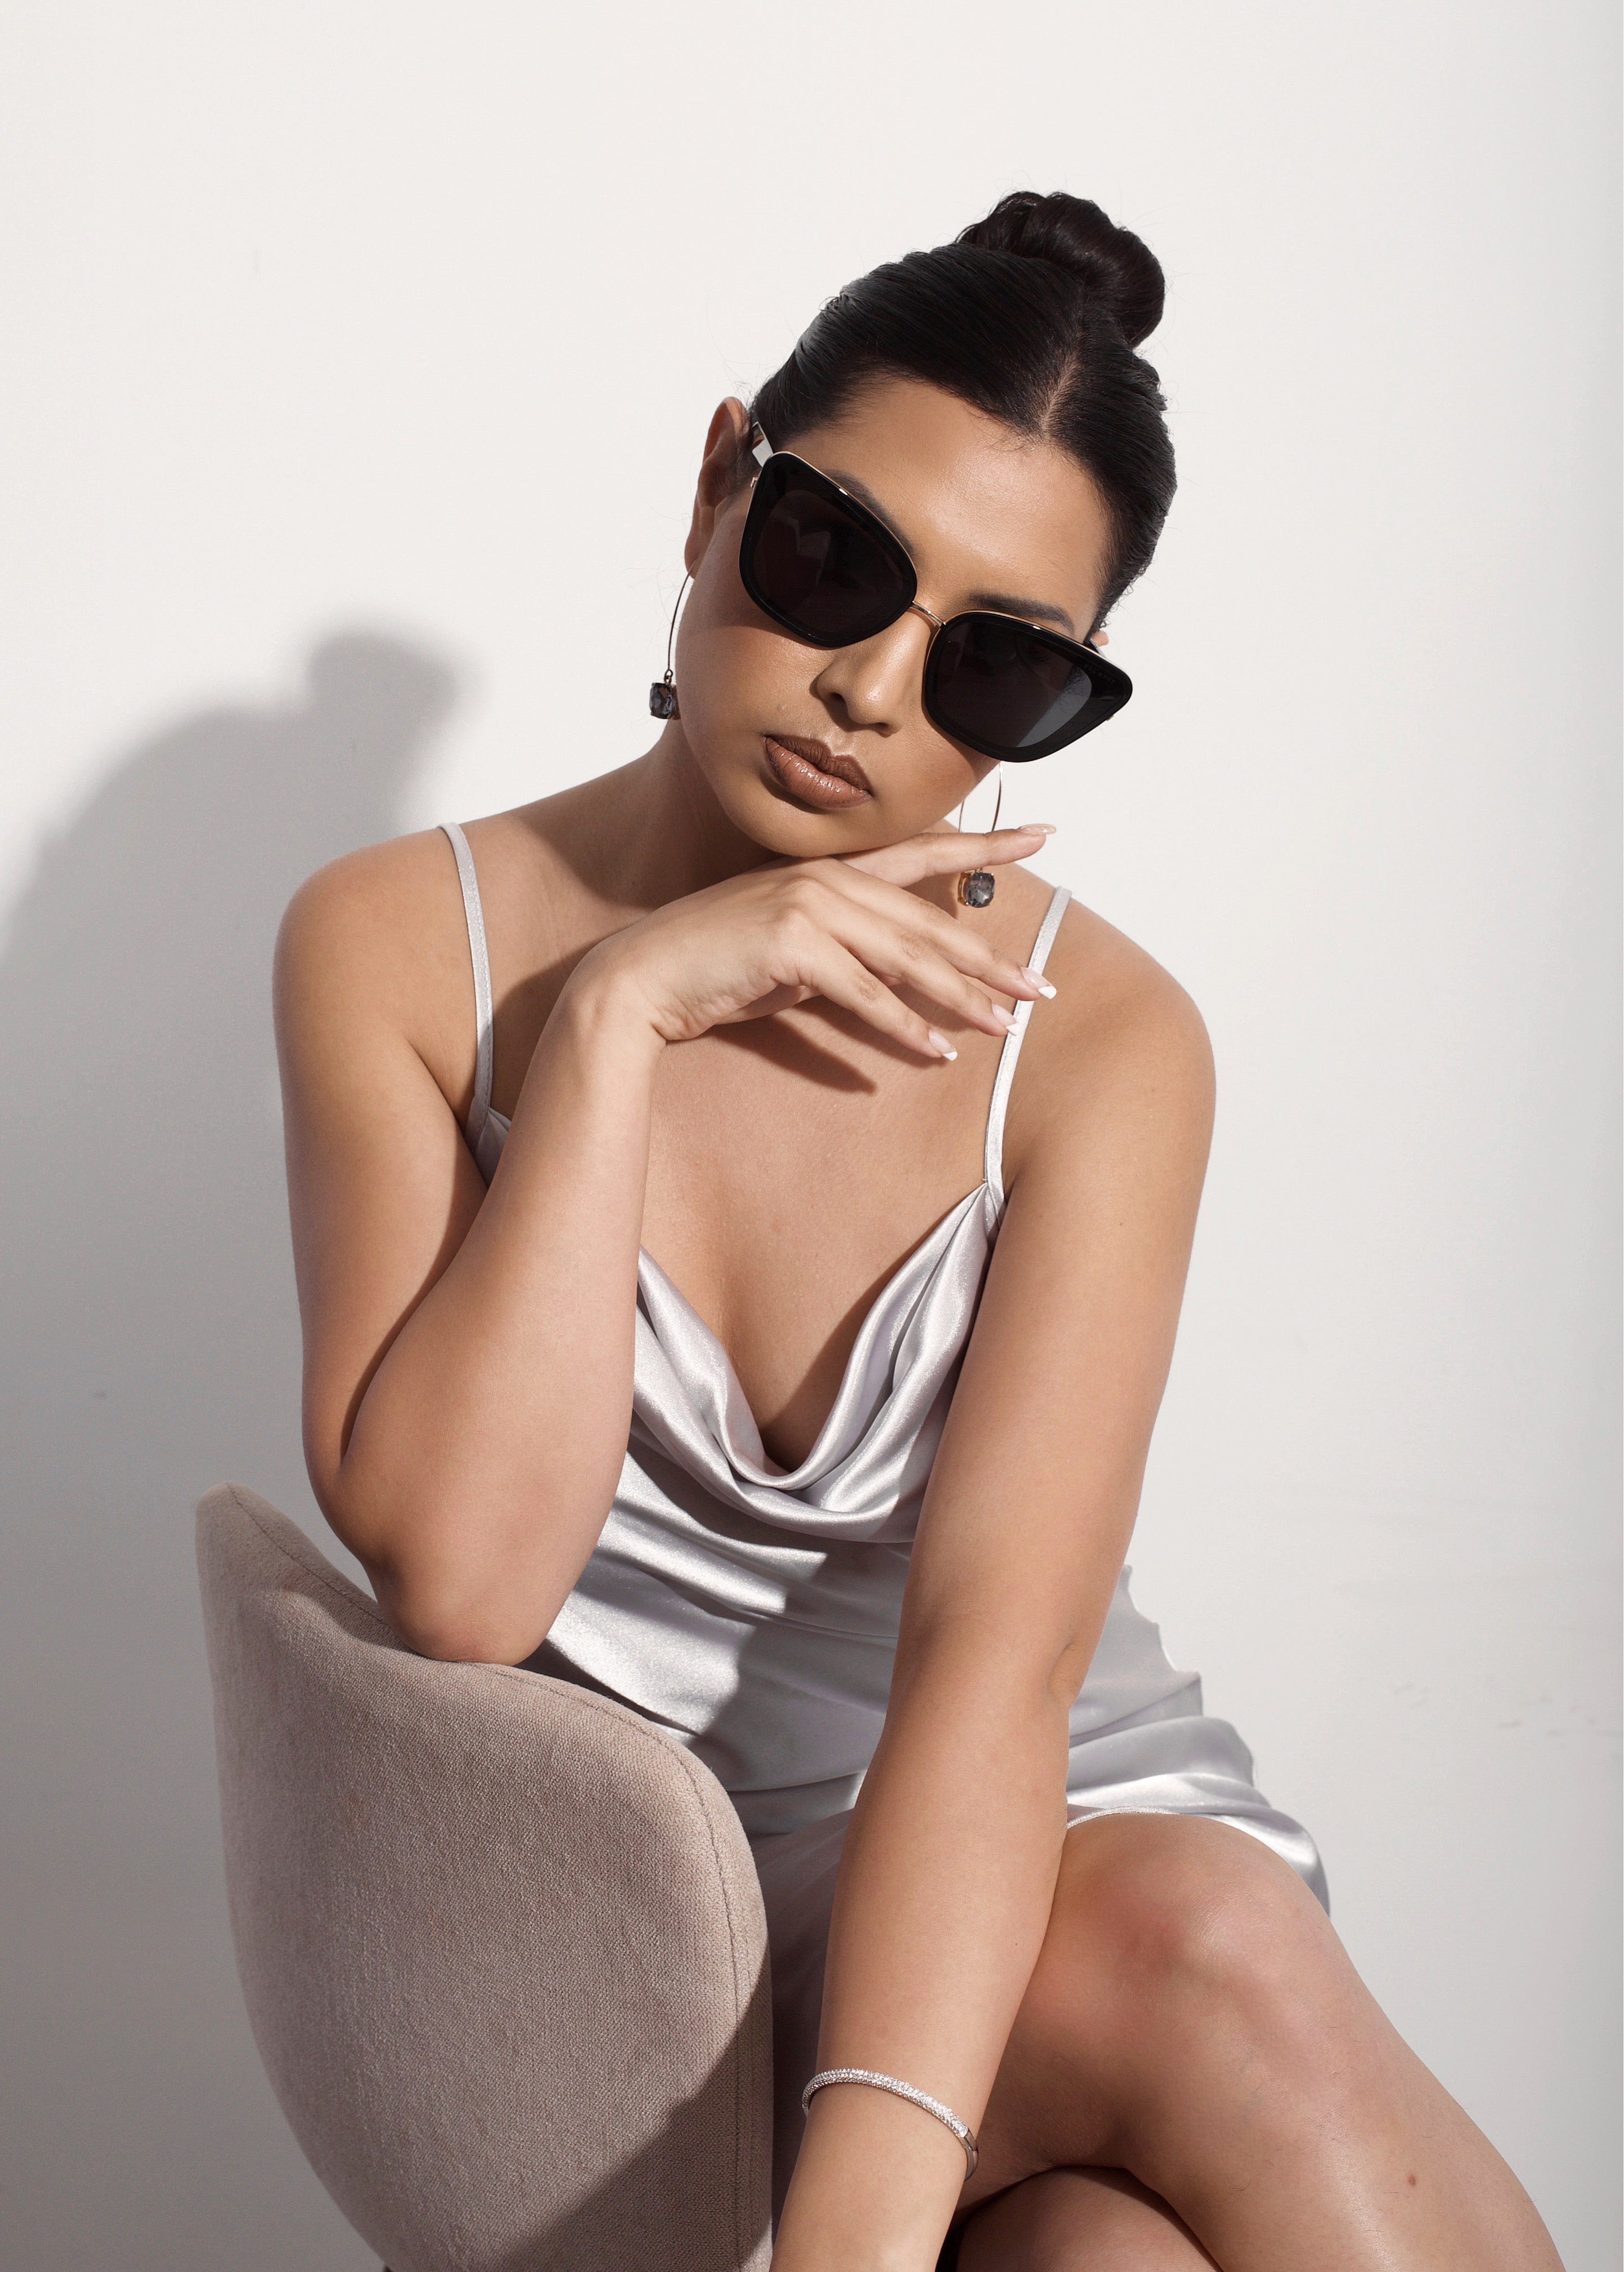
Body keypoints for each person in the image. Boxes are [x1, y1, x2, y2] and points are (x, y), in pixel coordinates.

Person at [273, 190, 1563, 2271]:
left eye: (996, 662)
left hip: (1035, 1865)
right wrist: (617, 1018)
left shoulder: (1105, 1044)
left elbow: (1000, 1671)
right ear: (716, 486)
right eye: (828, 558)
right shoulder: (400, 948)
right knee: (1186, 2011)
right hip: (655, 1929)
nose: (871, 687)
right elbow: (460, 1582)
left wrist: (859, 2234)